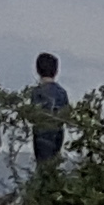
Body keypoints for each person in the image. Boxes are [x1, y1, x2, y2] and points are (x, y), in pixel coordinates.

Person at [22, 53, 71, 181]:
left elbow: (33, 115)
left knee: (42, 166)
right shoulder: (61, 92)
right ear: (56, 71)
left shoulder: (37, 92)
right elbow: (66, 115)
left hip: (41, 134)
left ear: (37, 70)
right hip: (57, 132)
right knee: (53, 164)